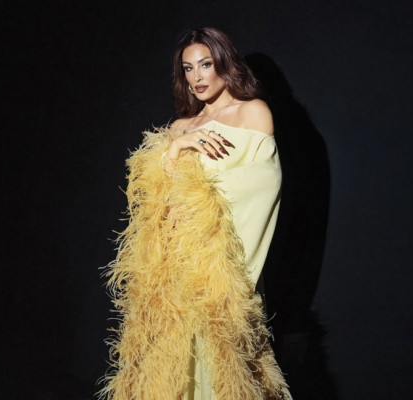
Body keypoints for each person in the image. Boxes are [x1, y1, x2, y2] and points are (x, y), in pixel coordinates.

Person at [101, 27, 290, 400]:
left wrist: (195, 202)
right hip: (172, 266)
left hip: (214, 267)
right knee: (168, 366)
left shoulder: (252, 113)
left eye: (205, 64)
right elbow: (155, 200)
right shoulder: (181, 127)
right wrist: (174, 150)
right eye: (188, 68)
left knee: (218, 359)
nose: (197, 77)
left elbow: (263, 187)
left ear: (224, 63)